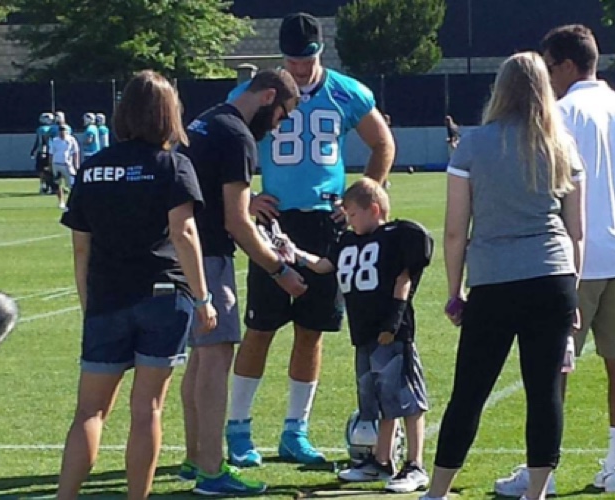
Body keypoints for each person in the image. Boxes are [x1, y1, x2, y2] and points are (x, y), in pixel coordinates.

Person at [494, 25, 615, 496]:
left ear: (566, 65)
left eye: (549, 66)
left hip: (572, 256)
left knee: (551, 367)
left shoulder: (560, 113)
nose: (546, 76)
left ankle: (540, 472)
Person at [225, 11, 395, 467]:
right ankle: (238, 429)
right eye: (293, 61)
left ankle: (294, 431)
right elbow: (229, 145)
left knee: (312, 330)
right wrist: (250, 196)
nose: (300, 70)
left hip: (325, 223)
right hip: (275, 221)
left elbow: (382, 143)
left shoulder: (345, 91)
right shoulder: (253, 92)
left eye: (308, 60)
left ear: (321, 52)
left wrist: (363, 195)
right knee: (260, 328)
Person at [422, 51, 585, 500]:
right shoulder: (562, 147)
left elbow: (456, 230)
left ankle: (437, 491)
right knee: (544, 390)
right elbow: (577, 232)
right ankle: (536, 492)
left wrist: (454, 292)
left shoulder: (474, 144)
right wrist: (572, 292)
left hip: (493, 280)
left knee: (469, 391)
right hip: (551, 276)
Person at [56, 70, 216, 500]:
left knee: (89, 411)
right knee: (147, 408)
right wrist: (203, 298)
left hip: (107, 298)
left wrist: (89, 301)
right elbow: (183, 234)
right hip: (163, 296)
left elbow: (80, 250)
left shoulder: (90, 169)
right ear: (169, 115)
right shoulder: (172, 164)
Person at [175, 69, 308, 496]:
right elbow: (236, 221)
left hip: (181, 251)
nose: (278, 124)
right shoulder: (237, 136)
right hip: (209, 254)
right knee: (214, 358)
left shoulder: (207, 119)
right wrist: (280, 270)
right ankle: (212, 471)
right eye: (282, 114)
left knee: (199, 359)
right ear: (270, 96)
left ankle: (195, 458)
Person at [292, 178, 433, 494]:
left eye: (353, 214)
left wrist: (393, 322)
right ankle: (380, 462)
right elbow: (324, 265)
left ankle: (416, 464)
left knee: (406, 399)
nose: (349, 221)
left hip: (390, 332)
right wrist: (295, 253)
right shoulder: (347, 242)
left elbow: (404, 278)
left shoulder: (397, 236)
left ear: (373, 209)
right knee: (378, 401)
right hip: (364, 332)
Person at [50, 125, 80, 210]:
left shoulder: (71, 140)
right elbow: (51, 153)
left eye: (64, 131)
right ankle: (61, 202)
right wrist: (50, 165)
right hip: (57, 164)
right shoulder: (55, 141)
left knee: (72, 185)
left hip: (67, 165)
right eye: (60, 131)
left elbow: (76, 152)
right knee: (58, 184)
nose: (62, 133)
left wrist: (76, 164)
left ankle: (72, 202)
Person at [31, 112, 54, 194]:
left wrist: (33, 151)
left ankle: (43, 186)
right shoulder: (54, 128)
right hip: (52, 152)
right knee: (50, 170)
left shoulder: (41, 129)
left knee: (42, 170)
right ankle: (50, 186)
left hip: (43, 152)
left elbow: (40, 141)